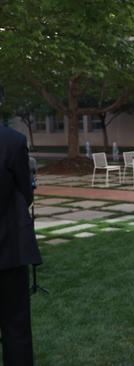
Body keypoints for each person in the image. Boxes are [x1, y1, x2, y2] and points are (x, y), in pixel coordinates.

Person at [0, 124, 42, 366]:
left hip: (10, 250)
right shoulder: (12, 140)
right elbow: (26, 193)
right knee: (16, 329)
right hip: (9, 247)